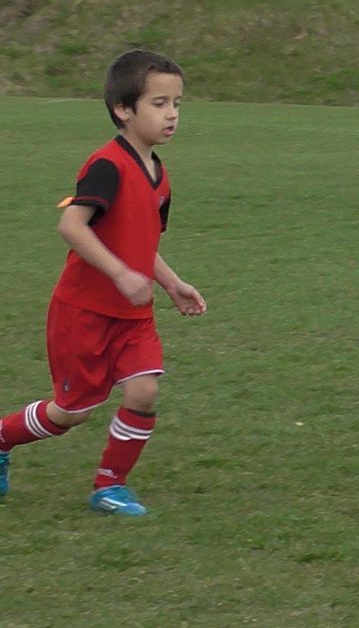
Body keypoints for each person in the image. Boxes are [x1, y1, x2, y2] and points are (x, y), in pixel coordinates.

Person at [0, 50, 206, 517]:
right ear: (123, 110)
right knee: (69, 414)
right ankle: (1, 438)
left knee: (145, 390)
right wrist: (118, 274)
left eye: (177, 103)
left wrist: (172, 283)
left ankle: (110, 486)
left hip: (133, 315)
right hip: (84, 313)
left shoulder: (159, 174)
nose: (172, 114)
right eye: (158, 103)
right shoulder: (107, 166)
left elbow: (140, 241)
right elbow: (73, 226)